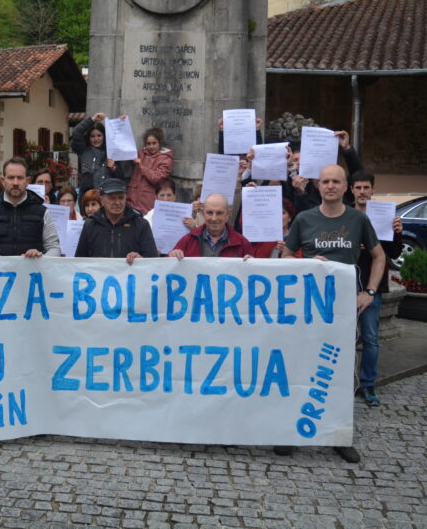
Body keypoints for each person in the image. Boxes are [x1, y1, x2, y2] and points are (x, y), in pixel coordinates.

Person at [280, 164, 386, 463]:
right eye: (325, 181)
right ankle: (292, 433)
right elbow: (286, 256)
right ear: (319, 185)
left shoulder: (357, 219)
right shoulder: (304, 219)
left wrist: (370, 292)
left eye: (336, 181)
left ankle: (339, 435)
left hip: (343, 311)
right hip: (309, 309)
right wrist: (309, 262)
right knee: (302, 369)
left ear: (346, 187)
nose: (329, 186)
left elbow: (379, 257)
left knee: (338, 374)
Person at [350, 169, 403, 407]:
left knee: (371, 338)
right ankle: (345, 383)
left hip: (374, 287)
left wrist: (397, 234)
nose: (362, 192)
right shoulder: (345, 215)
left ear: (373, 189)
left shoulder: (384, 216)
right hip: (347, 285)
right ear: (351, 190)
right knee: (344, 338)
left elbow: (393, 254)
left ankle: (368, 384)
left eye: (366, 187)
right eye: (358, 187)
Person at [0, 157, 61, 259]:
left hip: (32, 274)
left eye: (20, 178)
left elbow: (54, 248)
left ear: (27, 180)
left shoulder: (42, 212)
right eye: (11, 177)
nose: (15, 183)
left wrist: (41, 258)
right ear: (3, 180)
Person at [75, 178, 157, 263]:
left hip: (131, 276)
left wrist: (140, 259)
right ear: (101, 199)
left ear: (126, 198)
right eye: (112, 198)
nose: (117, 202)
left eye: (121, 197)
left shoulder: (141, 225)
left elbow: (153, 262)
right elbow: (79, 261)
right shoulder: (90, 225)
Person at [168, 193, 254, 259]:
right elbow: (168, 270)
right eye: (209, 212)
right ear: (203, 213)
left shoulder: (242, 243)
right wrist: (173, 256)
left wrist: (252, 265)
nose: (214, 218)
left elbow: (252, 275)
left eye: (219, 213)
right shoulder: (188, 240)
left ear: (228, 214)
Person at [70, 112, 125, 211]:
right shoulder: (83, 150)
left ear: (104, 136)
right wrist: (92, 119)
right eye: (92, 136)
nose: (96, 139)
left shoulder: (111, 152)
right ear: (88, 137)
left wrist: (113, 168)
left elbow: (121, 177)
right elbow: (76, 132)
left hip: (106, 199)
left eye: (99, 135)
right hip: (87, 200)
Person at [127, 127, 173, 214]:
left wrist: (141, 166)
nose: (151, 146)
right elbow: (125, 148)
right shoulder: (141, 154)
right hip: (132, 202)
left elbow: (157, 179)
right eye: (148, 144)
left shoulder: (166, 159)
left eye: (154, 143)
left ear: (160, 143)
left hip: (147, 206)